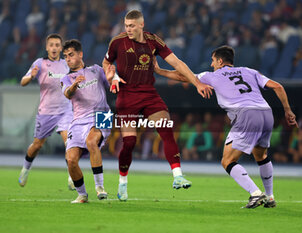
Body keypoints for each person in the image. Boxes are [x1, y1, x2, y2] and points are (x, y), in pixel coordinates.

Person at [155, 45, 298, 208]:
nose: (211, 64)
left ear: (220, 61)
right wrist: (287, 110)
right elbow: (278, 86)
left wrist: (160, 71)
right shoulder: (249, 71)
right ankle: (270, 197)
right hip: (266, 113)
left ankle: (256, 193)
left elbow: (185, 77)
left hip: (246, 115)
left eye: (213, 60)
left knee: (227, 160)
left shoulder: (212, 75)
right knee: (261, 155)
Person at [102, 10, 213, 201]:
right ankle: (122, 182)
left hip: (149, 95)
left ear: (141, 25)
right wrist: (112, 77)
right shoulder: (117, 42)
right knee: (129, 143)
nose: (128, 29)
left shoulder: (154, 42)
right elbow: (106, 62)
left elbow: (177, 63)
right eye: (126, 25)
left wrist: (197, 83)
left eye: (132, 26)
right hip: (127, 97)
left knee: (166, 130)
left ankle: (177, 176)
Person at [18, 33, 75, 190]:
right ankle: (25, 169)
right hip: (46, 112)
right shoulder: (40, 63)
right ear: (47, 47)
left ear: (61, 48)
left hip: (65, 111)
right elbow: (23, 81)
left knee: (69, 142)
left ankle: (72, 176)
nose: (54, 48)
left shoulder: (67, 64)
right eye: (52, 45)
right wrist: (31, 77)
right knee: (37, 145)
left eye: (57, 45)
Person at [61, 39, 112, 203]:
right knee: (71, 160)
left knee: (91, 142)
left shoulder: (96, 70)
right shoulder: (67, 78)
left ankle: (100, 187)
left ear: (80, 54)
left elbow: (111, 85)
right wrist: (75, 85)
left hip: (102, 115)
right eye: (66, 56)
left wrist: (112, 78)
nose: (68, 59)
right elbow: (67, 94)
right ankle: (82, 195)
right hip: (78, 121)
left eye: (71, 55)